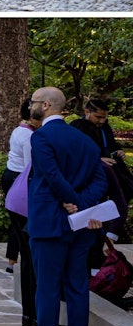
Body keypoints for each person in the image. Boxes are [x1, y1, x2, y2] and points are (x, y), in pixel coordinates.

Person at [28, 87, 106, 326]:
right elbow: (100, 181)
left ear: (47, 105)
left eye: (33, 102)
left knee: (48, 288)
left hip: (50, 223)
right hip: (81, 226)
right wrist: (81, 205)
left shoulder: (40, 137)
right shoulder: (85, 140)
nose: (31, 106)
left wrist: (71, 201)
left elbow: (51, 175)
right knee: (77, 286)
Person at [2, 99, 41, 326]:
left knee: (18, 231)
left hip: (14, 181)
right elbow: (30, 166)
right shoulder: (28, 136)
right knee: (24, 235)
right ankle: (12, 259)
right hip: (21, 182)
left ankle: (11, 260)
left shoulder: (20, 129)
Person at [69, 97, 130, 241]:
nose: (101, 121)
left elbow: (110, 144)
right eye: (98, 117)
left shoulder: (104, 127)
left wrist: (117, 151)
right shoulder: (78, 128)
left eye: (104, 118)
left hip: (105, 174)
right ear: (87, 112)